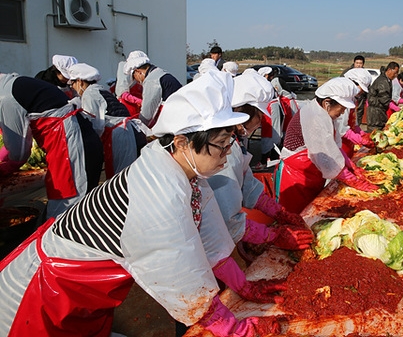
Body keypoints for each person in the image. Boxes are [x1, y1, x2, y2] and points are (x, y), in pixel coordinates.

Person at [0, 70, 282, 336]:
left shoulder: (188, 175)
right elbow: (185, 281)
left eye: (230, 142)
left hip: (87, 295)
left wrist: (245, 287)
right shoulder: (159, 194)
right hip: (44, 291)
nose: (227, 154)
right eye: (222, 144)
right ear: (182, 141)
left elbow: (213, 244)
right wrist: (237, 330)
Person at [207, 70, 311, 263]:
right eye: (258, 115)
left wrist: (279, 212)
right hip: (208, 236)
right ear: (241, 111)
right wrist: (274, 235)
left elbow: (248, 185)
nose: (260, 121)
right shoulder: (222, 147)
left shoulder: (234, 140)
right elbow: (229, 218)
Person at [0, 73, 103, 218]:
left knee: (67, 210)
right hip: (77, 137)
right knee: (79, 206)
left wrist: (4, 168)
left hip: (68, 143)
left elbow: (19, 152)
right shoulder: (11, 83)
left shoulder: (5, 98)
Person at [275, 77, 378, 214]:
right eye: (341, 109)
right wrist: (355, 181)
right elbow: (327, 159)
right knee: (295, 216)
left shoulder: (325, 113)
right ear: (327, 103)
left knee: (311, 212)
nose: (342, 113)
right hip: (295, 176)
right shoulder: (314, 117)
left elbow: (334, 146)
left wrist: (350, 165)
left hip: (312, 172)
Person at [67, 63, 147, 178]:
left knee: (118, 176)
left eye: (73, 83)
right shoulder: (100, 90)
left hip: (117, 135)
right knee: (128, 173)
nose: (73, 87)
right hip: (126, 130)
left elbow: (96, 125)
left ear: (80, 81)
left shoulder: (89, 94)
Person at [255, 67, 299, 170]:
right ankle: (275, 158)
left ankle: (268, 160)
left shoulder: (274, 81)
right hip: (278, 105)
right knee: (276, 133)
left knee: (271, 133)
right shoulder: (273, 81)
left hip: (275, 107)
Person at [124, 50, 182, 127]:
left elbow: (147, 114)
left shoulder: (152, 80)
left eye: (134, 77)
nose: (137, 81)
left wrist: (138, 128)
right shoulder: (159, 73)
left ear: (138, 72)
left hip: (176, 119)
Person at [338, 67, 374, 157]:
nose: (361, 91)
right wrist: (359, 139)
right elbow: (341, 129)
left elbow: (354, 121)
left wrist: (361, 133)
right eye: (361, 88)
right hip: (339, 144)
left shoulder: (353, 98)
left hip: (348, 145)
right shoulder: (341, 98)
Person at [366, 61, 400, 131]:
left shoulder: (387, 79)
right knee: (375, 133)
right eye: (395, 72)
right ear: (389, 70)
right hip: (375, 113)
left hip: (380, 111)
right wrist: (395, 108)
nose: (396, 75)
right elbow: (384, 98)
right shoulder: (382, 81)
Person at [341, 55, 367, 125]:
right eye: (357, 63)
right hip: (348, 97)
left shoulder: (364, 74)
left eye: (360, 63)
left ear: (363, 64)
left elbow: (367, 87)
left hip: (360, 99)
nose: (358, 65)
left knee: (358, 115)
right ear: (354, 63)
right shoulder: (347, 72)